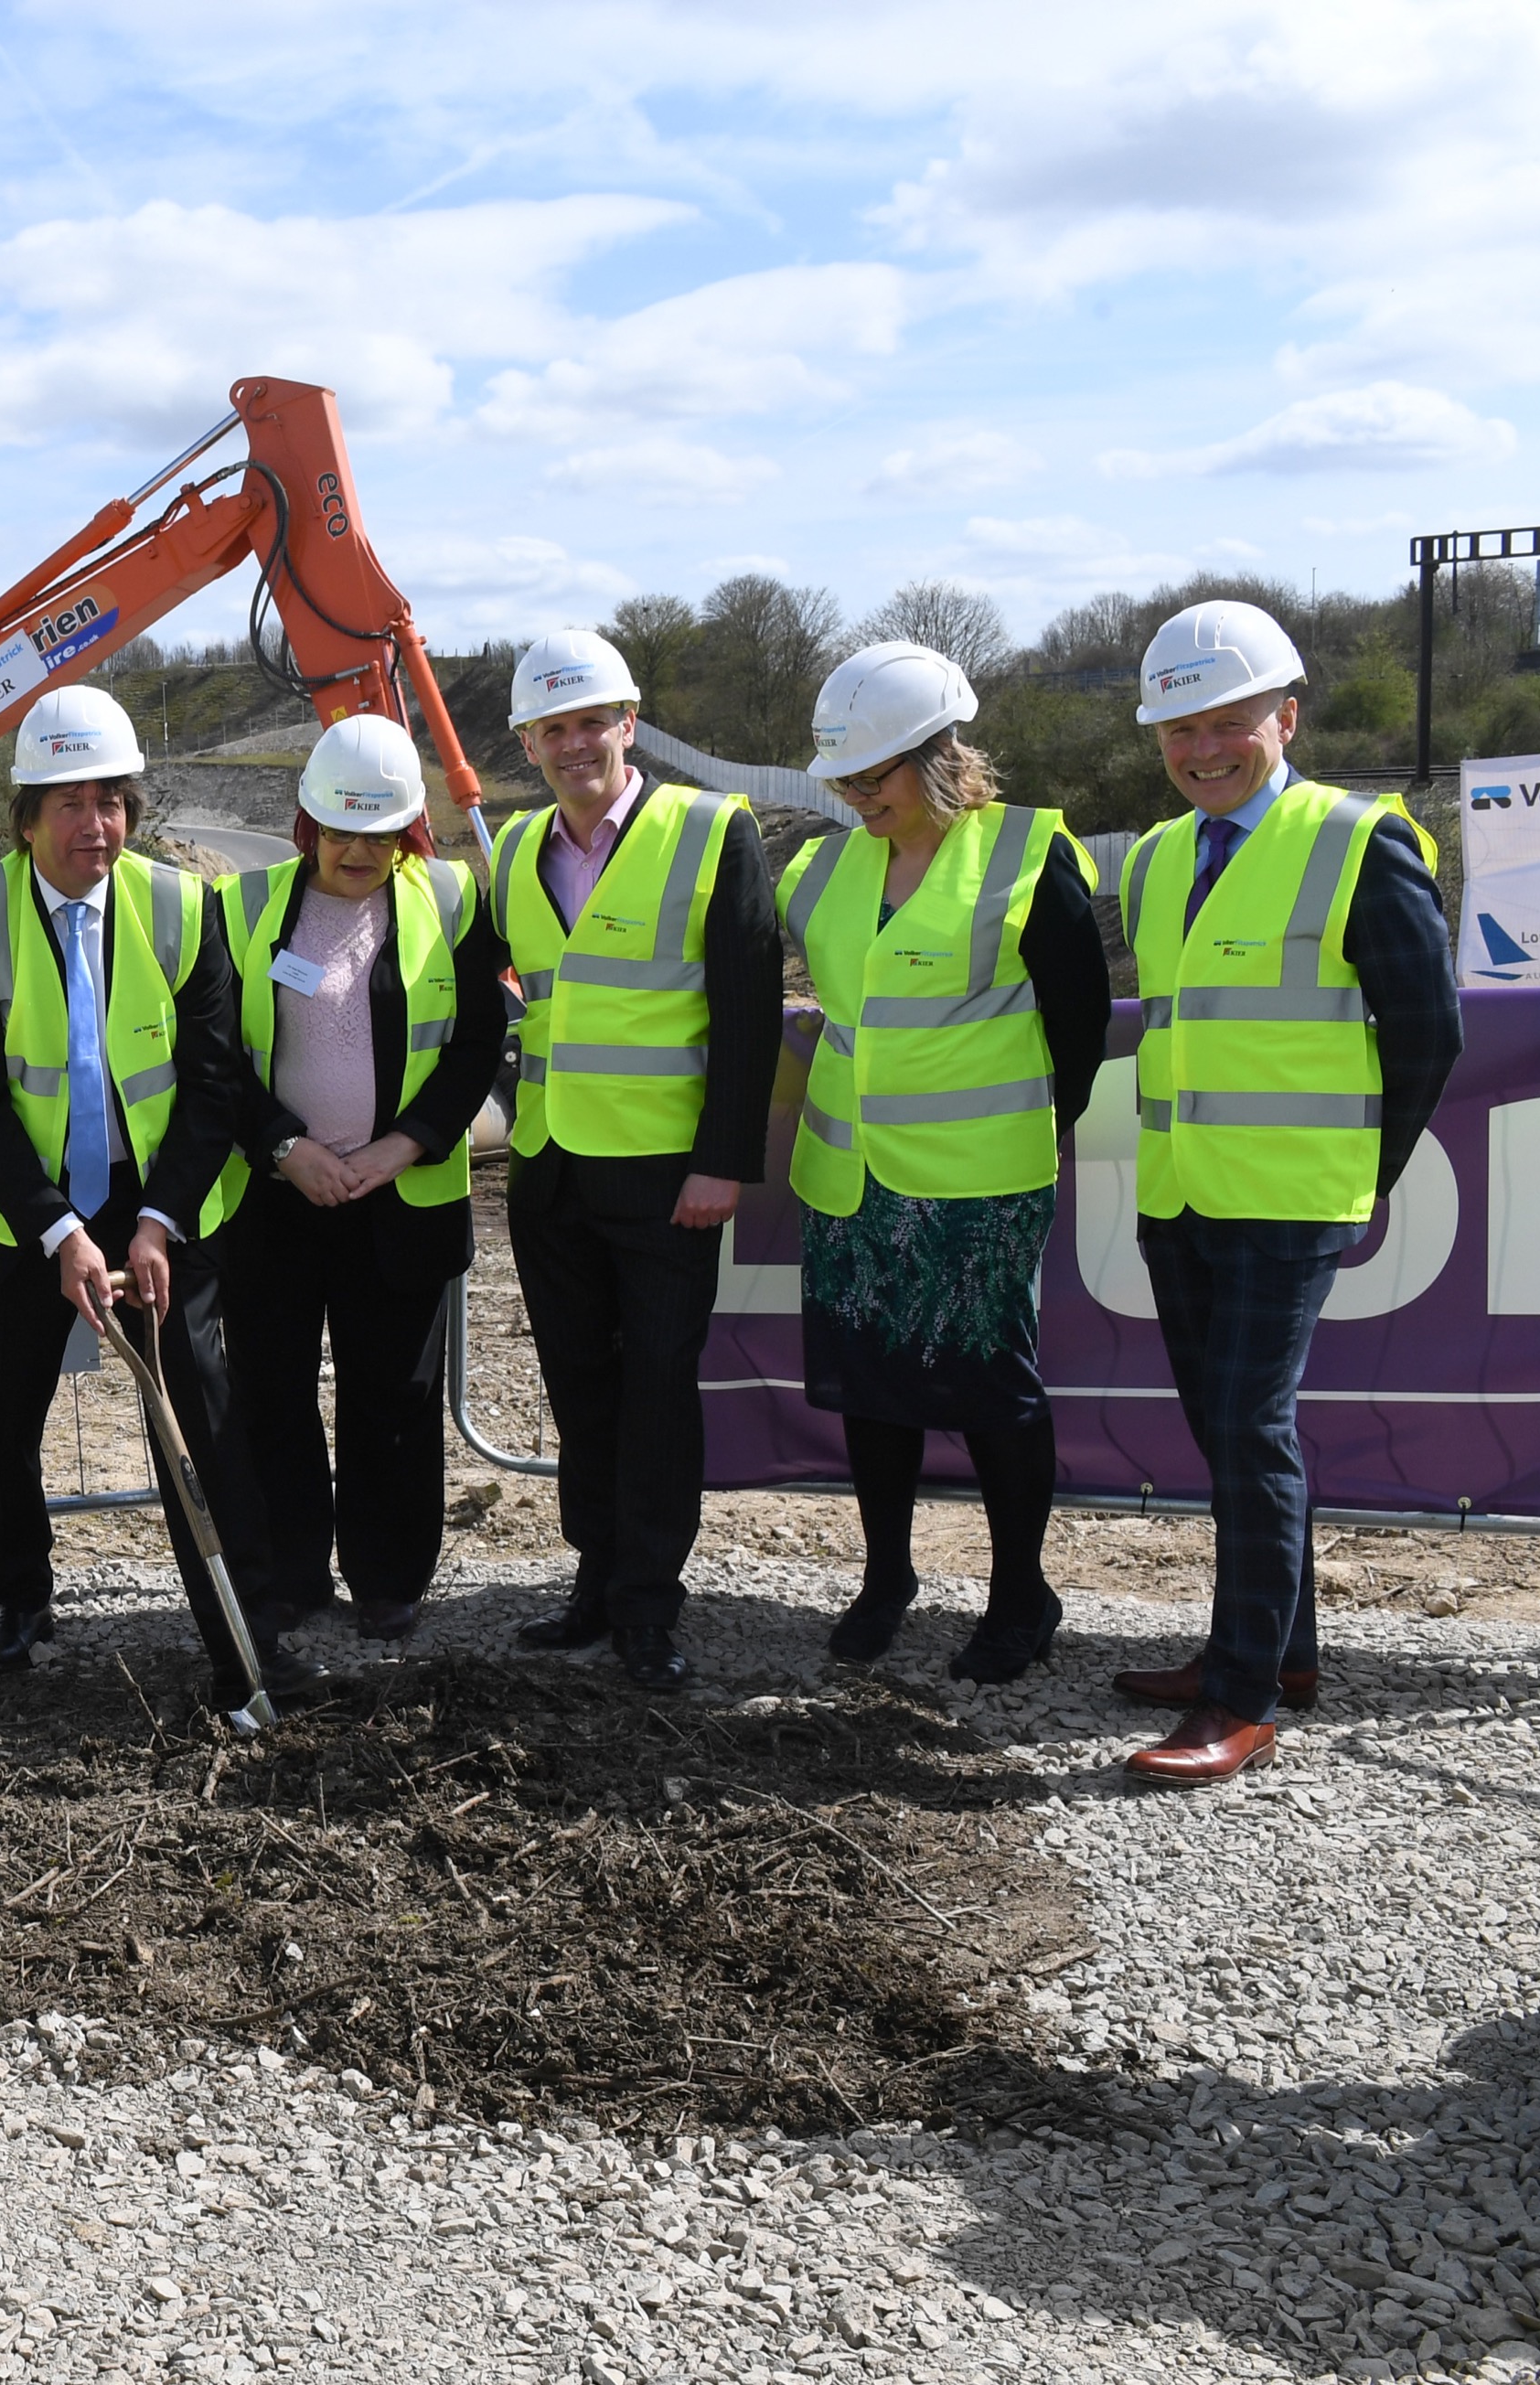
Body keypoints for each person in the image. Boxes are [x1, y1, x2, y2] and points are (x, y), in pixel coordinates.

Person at [1107, 600, 1462, 1783]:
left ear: (1285, 716)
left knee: (1251, 1432)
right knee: (1221, 1430)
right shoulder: (1156, 860)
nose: (1202, 750)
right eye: (1177, 730)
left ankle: (1239, 1692)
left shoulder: (1356, 839)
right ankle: (1279, 1648)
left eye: (1227, 723)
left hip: (1289, 1199)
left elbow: (1426, 1032)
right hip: (1181, 1196)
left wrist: (1365, 1175)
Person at [0, 682, 306, 1710]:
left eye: (111, 802)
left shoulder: (181, 907)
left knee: (206, 1424)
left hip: (156, 1211)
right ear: (25, 816)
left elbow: (213, 1081)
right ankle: (17, 1596)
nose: (95, 825)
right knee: (4, 1425)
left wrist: (154, 1223)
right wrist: (54, 1229)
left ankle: (241, 1631)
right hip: (13, 1217)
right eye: (70, 804)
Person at [775, 643, 1113, 1683]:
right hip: (848, 1176)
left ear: (936, 755)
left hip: (979, 1185)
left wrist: (1038, 1131)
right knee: (870, 1388)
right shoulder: (821, 864)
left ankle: (1021, 1594)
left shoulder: (1024, 853)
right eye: (840, 781)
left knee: (990, 1389)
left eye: (869, 779)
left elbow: (1079, 1019)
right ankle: (887, 1580)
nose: (852, 799)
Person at [487, 629, 784, 1690]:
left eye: (590, 722)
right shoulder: (516, 849)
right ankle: (594, 1583)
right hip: (551, 1169)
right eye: (551, 728)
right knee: (578, 1388)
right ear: (527, 740)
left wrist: (723, 1162)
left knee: (656, 1389)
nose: (574, 744)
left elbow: (749, 1015)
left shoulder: (712, 832)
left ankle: (650, 1606)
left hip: (667, 1177)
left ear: (629, 721)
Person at [213, 713, 510, 1644]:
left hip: (398, 1198)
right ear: (306, 823)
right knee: (272, 1392)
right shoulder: (242, 904)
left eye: (375, 832)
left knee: (393, 1398)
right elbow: (212, 1051)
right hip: (278, 1199)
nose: (354, 849)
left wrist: (403, 1145)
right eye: (337, 829)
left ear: (406, 831)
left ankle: (387, 1577)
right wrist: (281, 1146)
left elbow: (472, 1046)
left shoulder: (453, 901)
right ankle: (293, 1574)